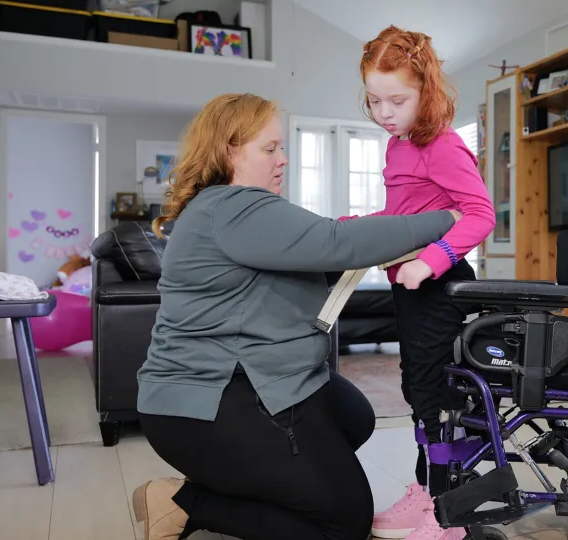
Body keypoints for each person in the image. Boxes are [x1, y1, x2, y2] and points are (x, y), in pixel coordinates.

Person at [131, 93, 463, 540]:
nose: (282, 160)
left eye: (281, 148)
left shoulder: (228, 210)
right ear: (228, 150)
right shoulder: (233, 206)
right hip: (209, 401)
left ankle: (254, 481)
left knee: (352, 415)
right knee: (343, 524)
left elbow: (326, 247)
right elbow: (335, 242)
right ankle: (184, 504)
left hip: (239, 384)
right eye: (269, 149)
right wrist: (453, 217)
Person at [343, 25, 496, 540]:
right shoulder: (398, 148)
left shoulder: (443, 146)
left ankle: (449, 510)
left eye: (397, 100)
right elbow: (404, 215)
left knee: (437, 395)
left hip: (441, 284)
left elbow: (479, 214)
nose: (384, 112)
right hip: (410, 288)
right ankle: (426, 489)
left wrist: (431, 260)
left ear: (425, 93)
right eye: (374, 100)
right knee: (417, 387)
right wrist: (363, 228)